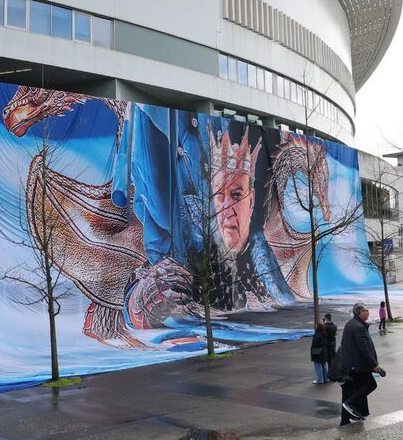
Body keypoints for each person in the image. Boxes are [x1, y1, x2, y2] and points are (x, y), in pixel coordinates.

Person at [124, 126, 294, 327]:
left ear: (251, 201)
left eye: (236, 195)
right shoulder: (190, 239)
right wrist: (141, 299)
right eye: (219, 196)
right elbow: (138, 298)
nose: (227, 208)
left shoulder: (262, 258)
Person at [339, 303, 383, 424]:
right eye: (365, 310)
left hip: (351, 364)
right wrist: (374, 365)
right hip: (358, 366)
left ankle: (354, 415)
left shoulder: (351, 324)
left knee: (357, 389)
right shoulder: (358, 327)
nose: (368, 312)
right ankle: (350, 404)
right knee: (371, 385)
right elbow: (364, 349)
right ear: (359, 313)